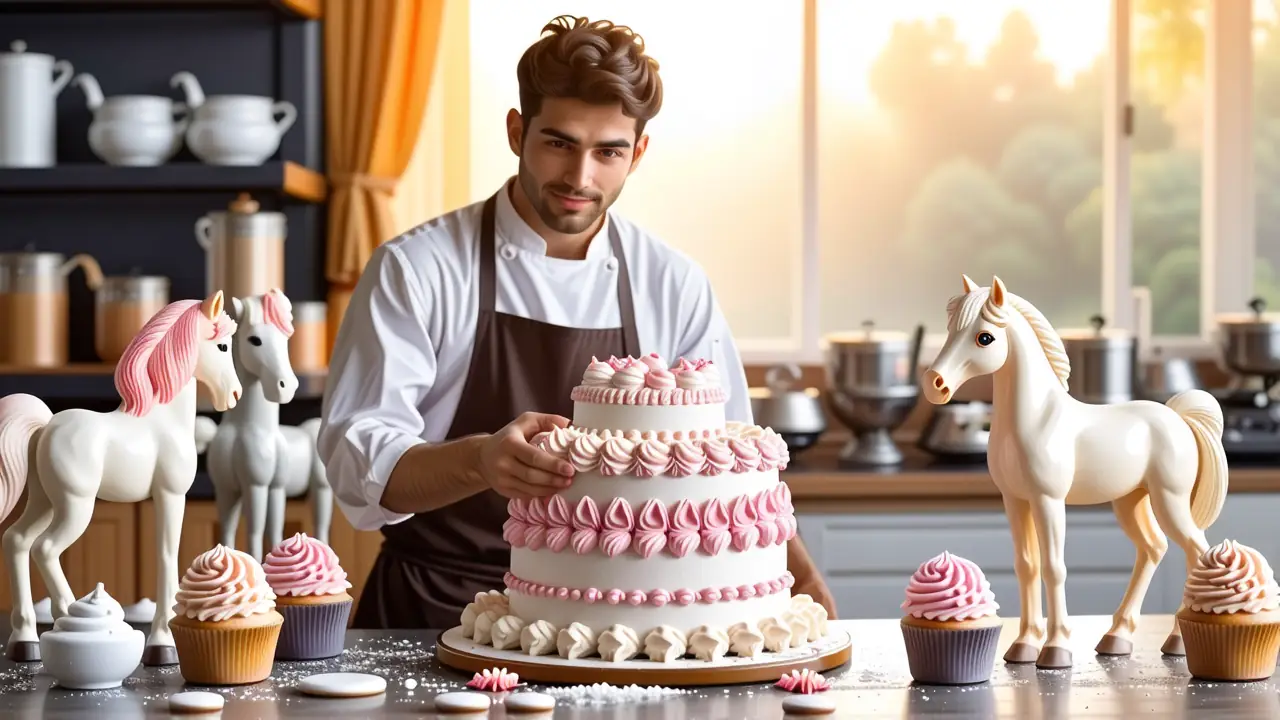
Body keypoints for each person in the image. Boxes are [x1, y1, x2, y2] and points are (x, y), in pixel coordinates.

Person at [318, 15, 836, 629]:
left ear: (637, 154)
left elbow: (727, 468)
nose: (580, 178)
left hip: (619, 625)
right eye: (559, 143)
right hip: (432, 610)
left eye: (608, 151)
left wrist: (804, 582)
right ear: (517, 132)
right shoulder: (419, 268)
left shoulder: (672, 283)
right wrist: (480, 460)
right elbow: (357, 460)